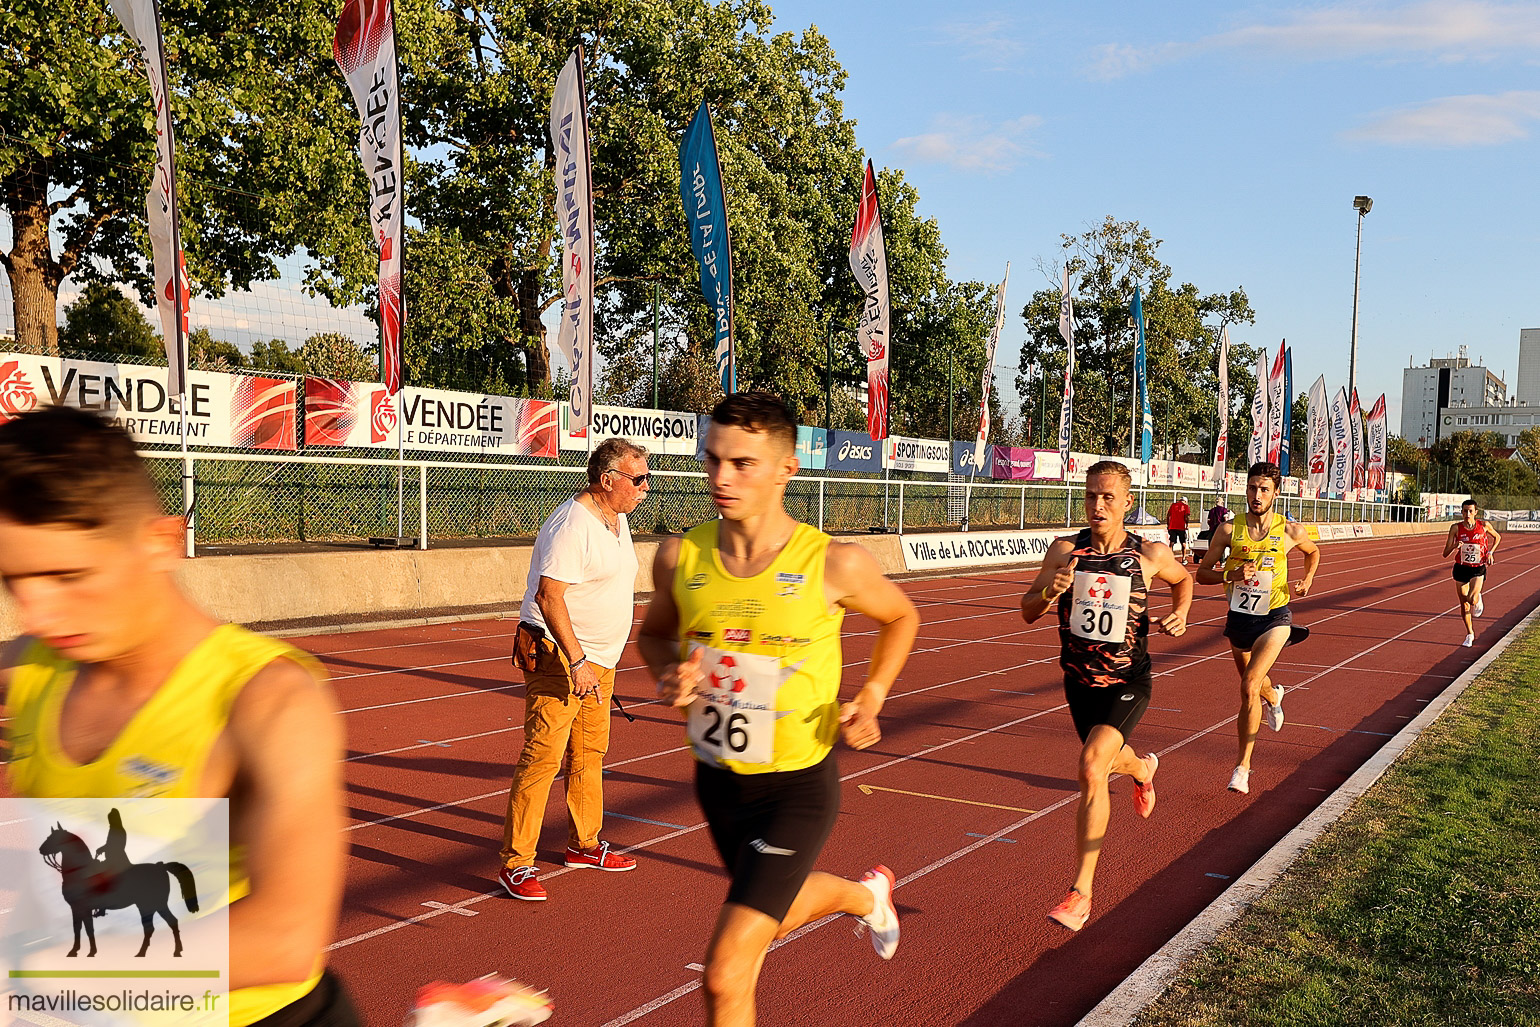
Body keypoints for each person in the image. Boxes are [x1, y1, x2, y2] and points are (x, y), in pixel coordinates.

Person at [0, 406, 357, 1026]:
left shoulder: (268, 700)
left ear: (162, 543)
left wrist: (41, 978)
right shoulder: (31, 668)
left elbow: (286, 940)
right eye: (14, 582)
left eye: (68, 576)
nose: (37, 615)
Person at [637, 392, 919, 1027]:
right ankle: (865, 895)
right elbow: (653, 636)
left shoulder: (832, 562)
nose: (719, 478)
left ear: (786, 469)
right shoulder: (681, 557)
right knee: (761, 925)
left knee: (726, 970)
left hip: (796, 789)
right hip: (717, 783)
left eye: (742, 464)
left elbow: (902, 616)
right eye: (713, 460)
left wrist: (872, 694)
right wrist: (668, 675)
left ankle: (864, 897)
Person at [1019, 460, 1191, 933]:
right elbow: (1026, 611)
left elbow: (1184, 581)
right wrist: (1048, 594)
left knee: (1093, 766)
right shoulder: (1063, 552)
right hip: (1079, 684)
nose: (1097, 504)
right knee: (1112, 760)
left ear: (1127, 503)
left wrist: (1180, 614)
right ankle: (1143, 769)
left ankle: (1081, 892)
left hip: (1128, 681)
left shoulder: (1148, 555)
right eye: (1092, 494)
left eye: (1108, 497)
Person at [498, 437, 651, 901]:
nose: (646, 488)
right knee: (543, 757)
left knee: (588, 753)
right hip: (560, 657)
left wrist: (597, 661)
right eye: (639, 479)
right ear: (608, 480)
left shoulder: (616, 519)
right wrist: (578, 660)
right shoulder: (572, 524)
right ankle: (516, 862)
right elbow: (550, 596)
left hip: (598, 662)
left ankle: (584, 843)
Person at [1195, 461, 1320, 796]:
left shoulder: (1290, 531)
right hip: (1239, 618)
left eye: (1264, 489)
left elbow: (1313, 552)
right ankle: (1275, 695)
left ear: (1276, 493)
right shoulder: (1227, 530)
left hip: (1275, 616)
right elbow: (1201, 574)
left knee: (1248, 686)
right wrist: (1230, 575)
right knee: (1255, 684)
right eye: (1252, 488)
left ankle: (1242, 767)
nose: (1256, 495)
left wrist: (1306, 579)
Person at [1442, 499, 1500, 647]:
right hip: (1461, 567)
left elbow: (1498, 537)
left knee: (1472, 600)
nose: (1467, 514)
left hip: (1478, 567)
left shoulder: (1484, 526)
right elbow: (1445, 553)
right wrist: (1455, 545)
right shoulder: (1456, 528)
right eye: (1465, 511)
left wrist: (1490, 552)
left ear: (1475, 512)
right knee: (1464, 604)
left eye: (1470, 511)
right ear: (1461, 512)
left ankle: (1477, 597)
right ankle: (1470, 634)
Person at [1166, 495, 1192, 564]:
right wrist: (1187, 524)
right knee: (1183, 543)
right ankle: (1183, 558)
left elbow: (1168, 515)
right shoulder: (1186, 506)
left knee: (1172, 543)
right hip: (1181, 527)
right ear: (1185, 501)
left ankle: (1169, 558)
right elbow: (1186, 516)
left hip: (1172, 526)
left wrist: (1168, 524)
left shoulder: (1173, 505)